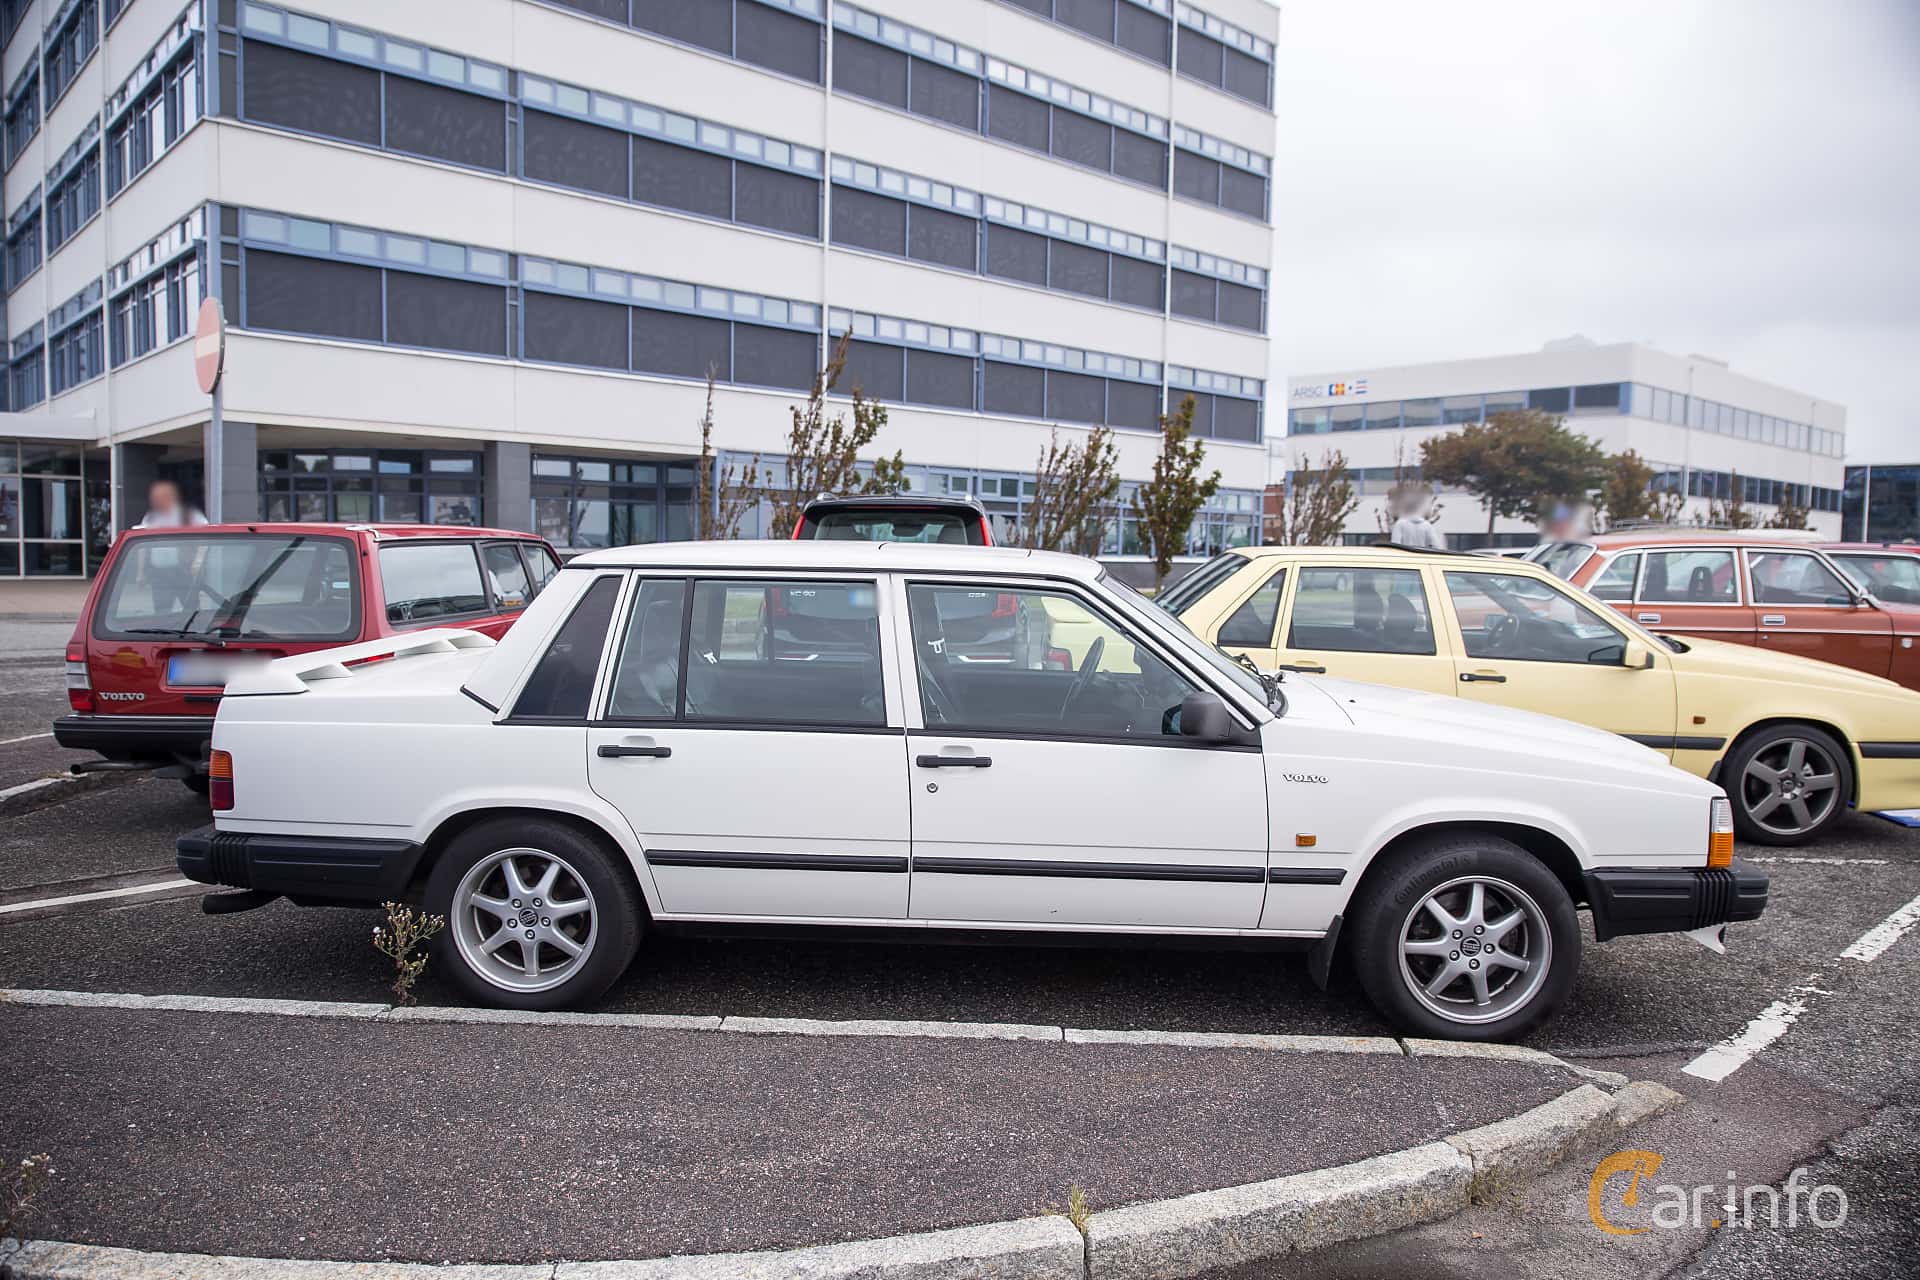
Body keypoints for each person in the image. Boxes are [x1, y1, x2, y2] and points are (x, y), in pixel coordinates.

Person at [133, 480, 208, 617]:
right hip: (160, 573)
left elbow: (205, 538)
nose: (156, 500)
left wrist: (198, 562)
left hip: (183, 571)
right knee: (161, 611)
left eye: (160, 496)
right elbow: (142, 546)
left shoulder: (188, 515)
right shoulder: (151, 518)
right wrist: (141, 572)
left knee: (191, 610)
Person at [134, 479, 209, 529]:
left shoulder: (190, 515)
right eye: (153, 497)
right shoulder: (150, 517)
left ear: (169, 496)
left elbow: (205, 537)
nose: (152, 500)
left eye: (157, 497)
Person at [1388, 486, 1445, 550]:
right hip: (1421, 558)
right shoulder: (1427, 525)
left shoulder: (1400, 524)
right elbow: (1436, 547)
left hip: (1404, 558)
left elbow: (1395, 546)